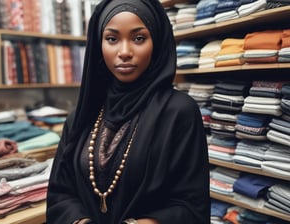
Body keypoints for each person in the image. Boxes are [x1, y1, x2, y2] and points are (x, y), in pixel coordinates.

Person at [46, 0, 210, 223]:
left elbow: (191, 205)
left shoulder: (179, 112)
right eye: (112, 39)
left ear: (158, 42)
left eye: (139, 38)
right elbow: (61, 193)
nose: (124, 52)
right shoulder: (82, 116)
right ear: (98, 44)